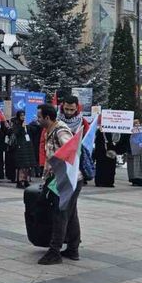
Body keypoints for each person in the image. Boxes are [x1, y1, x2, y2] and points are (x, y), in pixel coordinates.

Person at [37, 104, 81, 265]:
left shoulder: (60, 131)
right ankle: (73, 249)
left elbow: (71, 148)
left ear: (47, 118)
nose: (38, 119)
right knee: (71, 215)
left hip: (65, 179)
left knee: (60, 215)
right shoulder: (51, 130)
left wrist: (60, 168)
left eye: (39, 117)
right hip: (62, 178)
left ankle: (54, 252)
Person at [10, 111, 36, 188]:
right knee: (21, 166)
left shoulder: (26, 124)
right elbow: (16, 133)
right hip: (20, 147)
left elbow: (32, 132)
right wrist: (21, 126)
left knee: (27, 166)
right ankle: (20, 181)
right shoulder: (16, 124)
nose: (23, 117)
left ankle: (26, 180)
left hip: (27, 146)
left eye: (24, 115)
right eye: (21, 115)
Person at [123, 119, 142, 186]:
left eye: (137, 123)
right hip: (132, 152)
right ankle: (134, 180)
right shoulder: (129, 132)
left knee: (141, 167)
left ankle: (141, 180)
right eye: (135, 123)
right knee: (132, 167)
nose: (137, 124)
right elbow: (127, 141)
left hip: (141, 152)